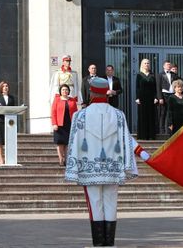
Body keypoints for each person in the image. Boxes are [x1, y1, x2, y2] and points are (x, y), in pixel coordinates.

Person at [65, 77, 150, 247]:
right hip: (113, 168)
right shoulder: (118, 115)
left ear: (91, 92)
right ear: (107, 93)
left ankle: (98, 244)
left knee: (95, 205)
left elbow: (73, 143)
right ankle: (110, 243)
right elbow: (127, 139)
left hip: (89, 169)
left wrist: (73, 167)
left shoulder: (79, 116)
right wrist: (144, 154)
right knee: (111, 204)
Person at [51, 84, 78, 166]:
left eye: (66, 90)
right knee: (60, 143)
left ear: (68, 91)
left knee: (67, 143)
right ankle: (60, 159)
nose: (65, 91)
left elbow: (76, 113)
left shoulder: (72, 100)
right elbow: (53, 112)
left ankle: (66, 159)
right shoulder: (57, 100)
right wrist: (54, 123)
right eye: (63, 90)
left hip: (69, 124)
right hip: (59, 124)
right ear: (60, 91)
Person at [0, 81, 16, 165]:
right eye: (4, 86)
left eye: (7, 86)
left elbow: (14, 110)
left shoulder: (12, 98)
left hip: (9, 122)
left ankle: (9, 158)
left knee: (8, 140)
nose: (5, 87)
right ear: (1, 88)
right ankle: (1, 159)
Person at [135, 58, 158, 140]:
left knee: (151, 117)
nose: (146, 64)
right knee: (142, 116)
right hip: (142, 99)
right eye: (145, 63)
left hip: (151, 99)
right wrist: (137, 98)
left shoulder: (152, 75)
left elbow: (155, 88)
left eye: (148, 63)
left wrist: (156, 97)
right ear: (142, 65)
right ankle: (143, 135)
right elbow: (137, 87)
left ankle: (151, 135)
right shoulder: (139, 75)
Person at [156, 60, 178, 134]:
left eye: (169, 65)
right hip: (164, 95)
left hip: (172, 95)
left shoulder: (174, 74)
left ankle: (169, 130)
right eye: (167, 65)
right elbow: (158, 87)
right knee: (163, 113)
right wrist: (160, 98)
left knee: (171, 113)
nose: (169, 66)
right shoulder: (160, 74)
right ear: (164, 66)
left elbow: (177, 85)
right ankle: (161, 131)